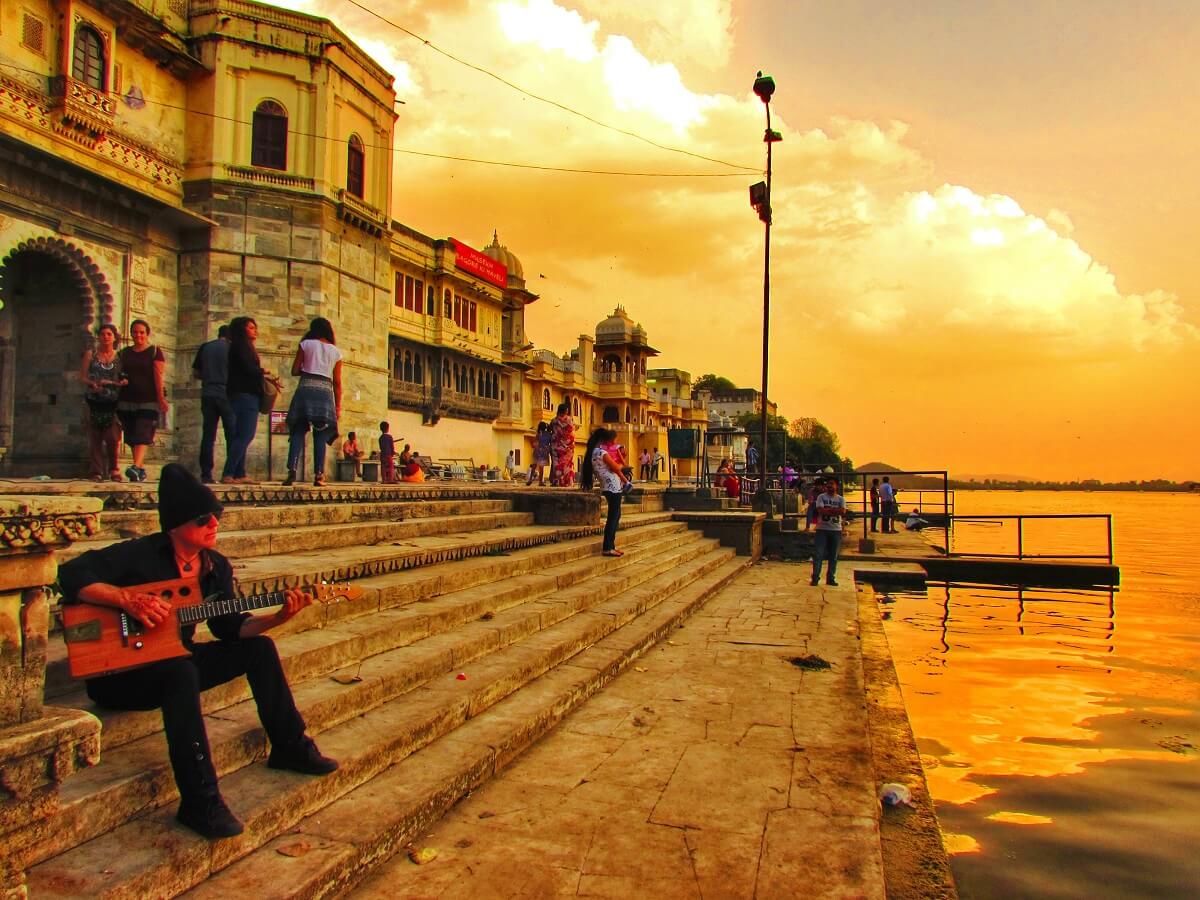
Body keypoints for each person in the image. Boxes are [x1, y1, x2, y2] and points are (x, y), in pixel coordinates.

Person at [56, 464, 337, 839]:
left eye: (216, 516)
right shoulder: (139, 555)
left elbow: (231, 628)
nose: (213, 525)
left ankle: (291, 746)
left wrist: (278, 618)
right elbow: (69, 574)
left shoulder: (214, 567)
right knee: (181, 671)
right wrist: (126, 599)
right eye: (203, 518)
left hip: (176, 661)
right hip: (120, 676)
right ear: (176, 524)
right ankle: (200, 800)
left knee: (259, 649)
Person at [283, 318, 342, 487]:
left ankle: (292, 470)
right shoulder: (335, 352)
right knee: (320, 434)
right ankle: (319, 475)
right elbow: (337, 382)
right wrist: (338, 406)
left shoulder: (306, 344)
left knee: (298, 431)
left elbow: (295, 370)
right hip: (324, 392)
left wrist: (308, 370)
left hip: (305, 389)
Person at [223, 317, 272, 485]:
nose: (255, 330)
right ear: (242, 330)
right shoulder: (241, 346)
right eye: (251, 327)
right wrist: (261, 371)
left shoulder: (241, 346)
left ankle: (239, 473)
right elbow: (246, 368)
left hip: (241, 394)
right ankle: (229, 472)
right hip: (245, 395)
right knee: (245, 434)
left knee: (240, 435)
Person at [116, 319, 167, 482]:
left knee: (142, 432)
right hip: (127, 398)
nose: (138, 335)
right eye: (135, 332)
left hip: (148, 399)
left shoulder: (154, 352)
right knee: (131, 435)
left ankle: (136, 466)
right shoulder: (124, 353)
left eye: (141, 332)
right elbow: (119, 373)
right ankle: (139, 468)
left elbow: (158, 376)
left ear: (147, 334)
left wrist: (161, 399)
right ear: (130, 333)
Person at [81, 323, 126, 482]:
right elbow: (83, 376)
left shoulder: (120, 357)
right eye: (103, 334)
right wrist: (93, 384)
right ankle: (96, 471)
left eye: (109, 334)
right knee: (95, 438)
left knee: (113, 437)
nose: (106, 337)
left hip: (113, 401)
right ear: (99, 337)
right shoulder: (91, 354)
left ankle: (114, 469)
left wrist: (120, 383)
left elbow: (123, 376)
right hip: (94, 400)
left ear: (114, 337)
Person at [581, 427, 629, 557]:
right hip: (613, 487)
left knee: (615, 516)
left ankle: (611, 546)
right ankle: (608, 547)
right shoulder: (602, 453)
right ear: (604, 440)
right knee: (613, 517)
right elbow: (617, 467)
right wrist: (621, 461)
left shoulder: (592, 453)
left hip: (607, 487)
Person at [192, 325, 232, 485]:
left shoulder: (206, 347)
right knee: (232, 434)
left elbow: (196, 372)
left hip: (208, 392)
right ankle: (231, 472)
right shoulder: (232, 349)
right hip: (227, 393)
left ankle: (206, 474)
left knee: (208, 435)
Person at [810, 477, 847, 586]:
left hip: (836, 530)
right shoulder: (821, 497)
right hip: (822, 529)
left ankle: (831, 578)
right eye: (828, 484)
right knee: (818, 555)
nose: (829, 486)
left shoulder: (841, 499)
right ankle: (815, 578)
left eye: (832, 484)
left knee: (833, 556)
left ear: (836, 486)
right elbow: (820, 510)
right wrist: (835, 511)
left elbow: (843, 511)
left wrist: (828, 510)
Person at [550, 403, 575, 486]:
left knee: (556, 463)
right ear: (566, 411)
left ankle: (556, 480)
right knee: (567, 463)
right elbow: (572, 432)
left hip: (556, 445)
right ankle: (567, 481)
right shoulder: (570, 420)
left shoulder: (554, 421)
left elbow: (551, 430)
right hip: (568, 446)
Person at [527, 421, 551, 485]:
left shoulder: (538, 434)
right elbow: (550, 442)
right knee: (541, 468)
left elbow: (535, 442)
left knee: (534, 466)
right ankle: (540, 482)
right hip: (544, 452)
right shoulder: (548, 434)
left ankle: (530, 479)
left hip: (537, 451)